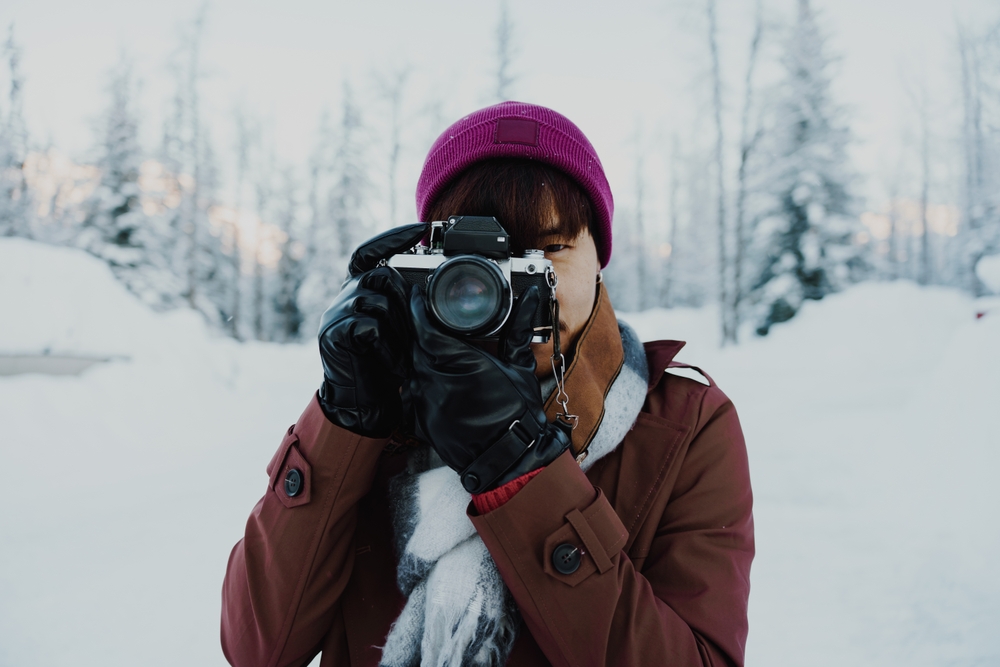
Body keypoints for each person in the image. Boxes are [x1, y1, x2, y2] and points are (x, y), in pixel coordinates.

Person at [221, 101, 754, 667]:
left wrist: (519, 468)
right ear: (431, 267)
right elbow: (259, 647)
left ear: (599, 257)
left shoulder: (685, 426)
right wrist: (344, 420)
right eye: (480, 263)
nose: (520, 289)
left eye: (551, 249)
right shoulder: (382, 406)